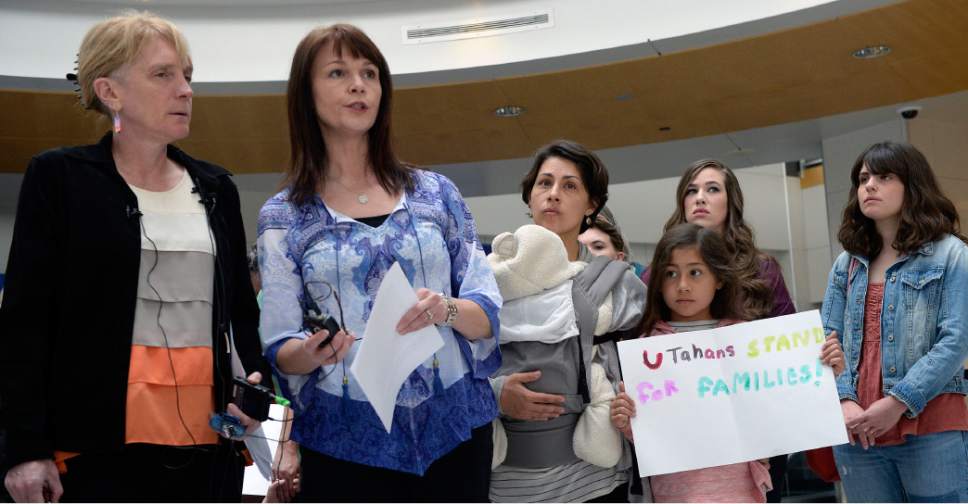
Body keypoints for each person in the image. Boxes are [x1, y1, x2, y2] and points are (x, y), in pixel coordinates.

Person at [0, 12, 269, 502]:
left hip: (209, 451)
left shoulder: (216, 189)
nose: (186, 90)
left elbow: (243, 319)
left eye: (188, 76)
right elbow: (24, 325)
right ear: (110, 91)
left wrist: (255, 385)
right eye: (163, 74)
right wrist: (23, 448)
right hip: (94, 453)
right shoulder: (60, 179)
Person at [257, 24, 501, 502]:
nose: (358, 84)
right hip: (344, 443)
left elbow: (486, 309)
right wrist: (311, 352)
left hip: (453, 431)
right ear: (305, 95)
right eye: (338, 72)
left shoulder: (436, 193)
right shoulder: (283, 216)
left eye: (370, 72)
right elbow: (279, 342)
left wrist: (444, 309)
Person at [610, 223, 844, 502]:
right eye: (670, 274)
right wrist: (625, 420)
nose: (682, 285)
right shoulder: (646, 348)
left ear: (719, 278)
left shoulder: (746, 338)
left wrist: (829, 373)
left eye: (695, 272)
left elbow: (786, 408)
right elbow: (649, 436)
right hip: (674, 492)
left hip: (741, 489)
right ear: (658, 281)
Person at [489, 140, 645, 502]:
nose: (553, 194)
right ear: (529, 197)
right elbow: (455, 366)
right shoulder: (487, 279)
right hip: (511, 484)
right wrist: (496, 394)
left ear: (591, 204)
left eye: (570, 185)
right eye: (544, 183)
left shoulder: (620, 286)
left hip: (596, 482)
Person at [821, 141, 968, 502]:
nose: (869, 185)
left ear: (912, 185)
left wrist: (898, 401)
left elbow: (956, 340)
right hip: (858, 433)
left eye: (884, 176)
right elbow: (825, 340)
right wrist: (844, 401)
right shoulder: (846, 263)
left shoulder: (951, 254)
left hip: (930, 427)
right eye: (863, 178)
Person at [643, 159, 794, 320]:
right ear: (682, 203)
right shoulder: (657, 270)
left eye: (713, 189)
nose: (699, 198)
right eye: (691, 191)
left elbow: (792, 332)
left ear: (731, 201)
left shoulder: (762, 269)